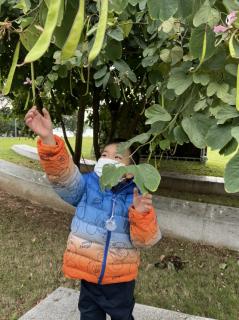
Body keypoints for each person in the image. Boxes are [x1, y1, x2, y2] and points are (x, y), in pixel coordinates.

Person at [25, 106, 162, 320]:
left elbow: (145, 241)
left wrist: (141, 214)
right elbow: (63, 177)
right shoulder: (87, 185)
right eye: (105, 155)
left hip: (121, 280)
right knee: (89, 316)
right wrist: (48, 139)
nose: (108, 159)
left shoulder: (136, 197)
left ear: (132, 168)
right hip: (88, 275)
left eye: (117, 157)